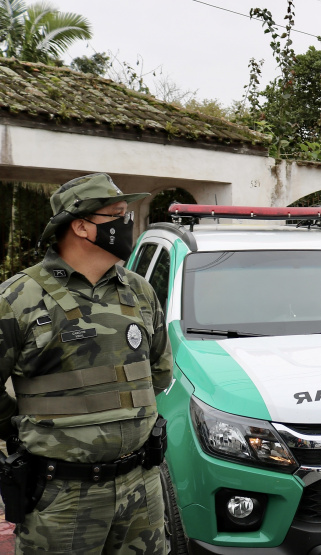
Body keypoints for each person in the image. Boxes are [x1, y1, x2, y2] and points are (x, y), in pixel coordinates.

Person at [0, 173, 173, 553]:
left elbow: (159, 374)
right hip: (61, 497)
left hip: (141, 486)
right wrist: (20, 428)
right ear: (81, 226)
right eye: (117, 215)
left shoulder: (139, 292)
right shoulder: (18, 298)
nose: (127, 223)